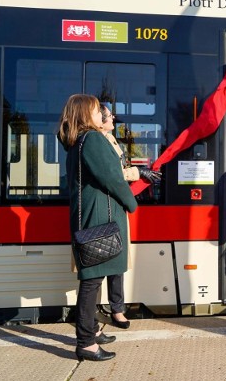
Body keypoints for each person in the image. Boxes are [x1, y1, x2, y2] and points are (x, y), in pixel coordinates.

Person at [58, 94, 138, 361]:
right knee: (91, 282)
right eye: (95, 110)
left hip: (90, 217)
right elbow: (113, 178)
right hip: (99, 220)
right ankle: (86, 343)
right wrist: (131, 203)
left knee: (93, 278)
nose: (100, 114)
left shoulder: (77, 142)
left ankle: (91, 330)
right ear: (84, 114)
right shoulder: (92, 139)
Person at [97, 104, 160, 329]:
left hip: (115, 207)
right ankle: (113, 310)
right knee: (103, 263)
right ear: (99, 119)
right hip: (108, 207)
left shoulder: (110, 138)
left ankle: (117, 308)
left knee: (117, 262)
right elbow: (111, 175)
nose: (113, 117)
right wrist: (138, 173)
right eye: (108, 115)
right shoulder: (97, 142)